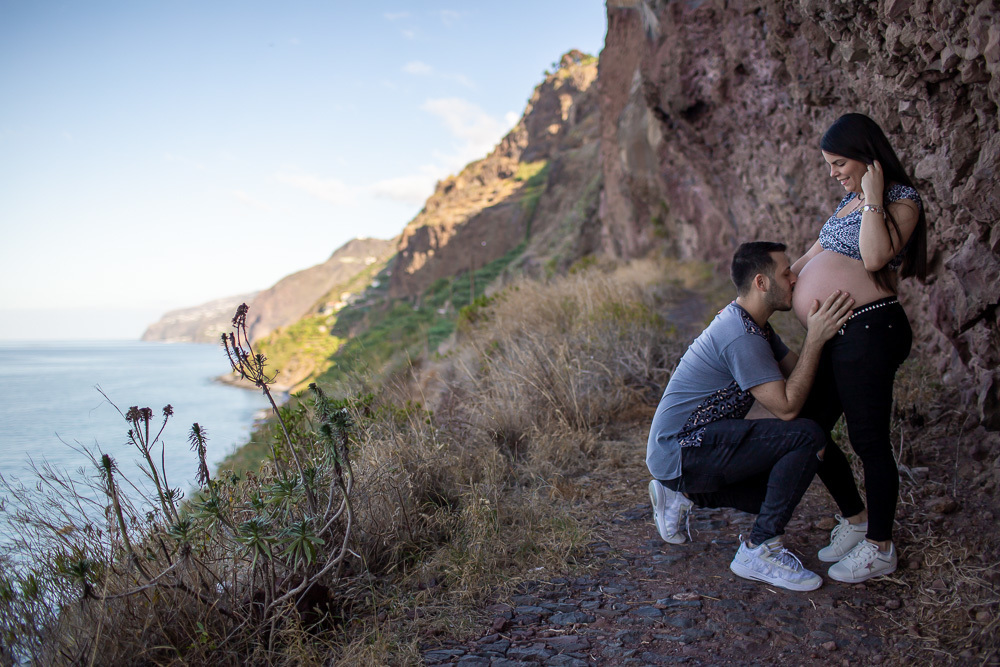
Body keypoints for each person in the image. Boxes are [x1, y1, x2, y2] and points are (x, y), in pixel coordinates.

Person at [647, 241, 854, 591]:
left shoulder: (755, 325)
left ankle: (680, 492)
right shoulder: (741, 336)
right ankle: (759, 549)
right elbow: (788, 406)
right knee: (807, 435)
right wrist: (814, 340)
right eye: (786, 272)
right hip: (683, 446)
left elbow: (799, 377)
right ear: (761, 282)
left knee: (775, 493)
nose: (794, 279)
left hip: (689, 446)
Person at [791, 113, 926, 583]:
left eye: (840, 163)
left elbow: (872, 258)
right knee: (808, 430)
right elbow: (808, 259)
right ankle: (855, 518)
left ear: (868, 157)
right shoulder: (846, 202)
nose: (834, 173)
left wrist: (872, 195)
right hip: (836, 334)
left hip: (871, 330)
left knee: (869, 441)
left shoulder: (900, 202)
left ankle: (880, 547)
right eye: (829, 165)